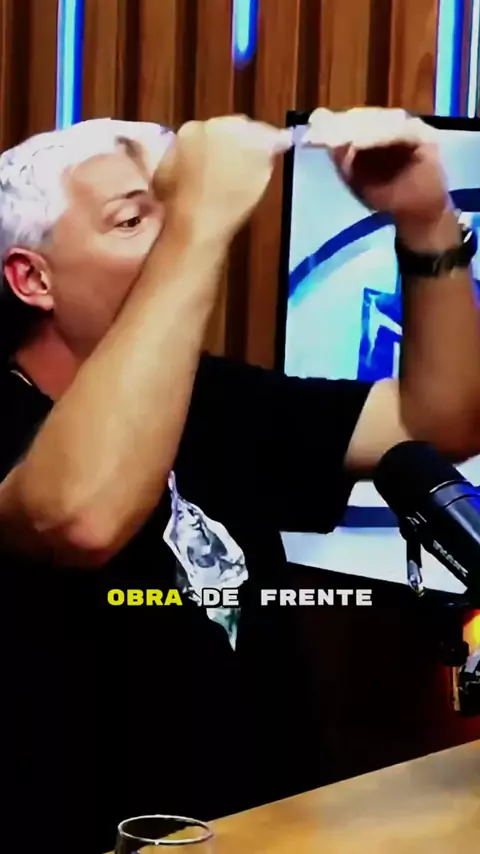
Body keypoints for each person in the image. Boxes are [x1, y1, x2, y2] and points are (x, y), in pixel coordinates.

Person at [1, 110, 480, 852]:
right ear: (33, 278)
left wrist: (425, 223)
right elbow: (80, 516)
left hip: (267, 833)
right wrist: (194, 226)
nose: (168, 233)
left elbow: (440, 419)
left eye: (170, 213)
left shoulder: (214, 396)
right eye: (132, 220)